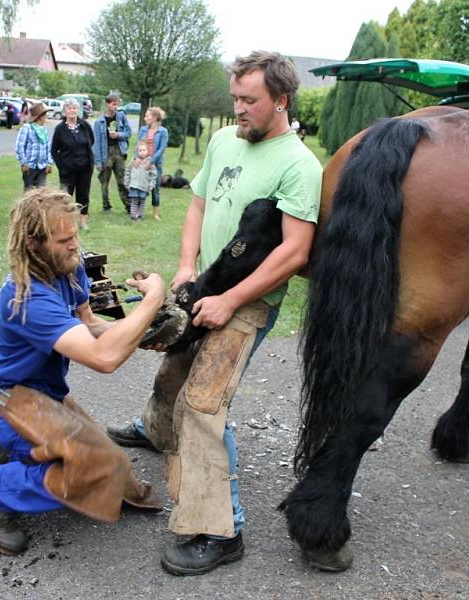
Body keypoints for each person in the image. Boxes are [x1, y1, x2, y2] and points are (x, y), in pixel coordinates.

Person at [106, 50, 322, 576]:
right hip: (203, 285)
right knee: (174, 364)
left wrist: (230, 300)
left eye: (249, 100)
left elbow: (295, 252)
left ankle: (221, 530)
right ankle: (156, 430)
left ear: (280, 100)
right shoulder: (227, 140)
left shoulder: (299, 165)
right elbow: (199, 204)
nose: (239, 108)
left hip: (248, 305)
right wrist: (185, 266)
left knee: (202, 406)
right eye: (235, 98)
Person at [0, 187, 167, 555]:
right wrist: (152, 301)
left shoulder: (69, 268)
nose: (75, 245)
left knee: (114, 465)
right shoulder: (25, 296)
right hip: (12, 398)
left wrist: (141, 329)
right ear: (33, 243)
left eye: (75, 234)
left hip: (47, 395)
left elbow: (90, 326)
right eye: (64, 240)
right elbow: (102, 358)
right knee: (94, 469)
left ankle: (20, 455)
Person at [51, 97, 95, 230]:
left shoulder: (85, 125)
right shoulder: (60, 129)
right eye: (69, 108)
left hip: (85, 168)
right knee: (65, 197)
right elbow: (54, 150)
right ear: (65, 110)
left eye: (74, 108)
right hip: (67, 170)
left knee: (83, 195)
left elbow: (91, 141)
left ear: (78, 110)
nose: (72, 110)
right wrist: (61, 166)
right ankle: (67, 222)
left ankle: (83, 222)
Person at [93, 92, 132, 213]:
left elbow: (128, 133)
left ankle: (129, 205)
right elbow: (96, 143)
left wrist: (118, 135)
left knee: (122, 181)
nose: (116, 107)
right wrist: (98, 162)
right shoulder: (99, 122)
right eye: (113, 104)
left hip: (119, 152)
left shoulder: (121, 116)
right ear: (107, 104)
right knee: (105, 182)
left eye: (117, 104)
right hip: (106, 153)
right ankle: (106, 206)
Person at [136, 106, 169, 221]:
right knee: (140, 187)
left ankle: (155, 214)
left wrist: (151, 161)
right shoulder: (143, 130)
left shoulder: (163, 131)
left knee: (155, 188)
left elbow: (161, 148)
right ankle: (139, 212)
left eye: (147, 116)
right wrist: (137, 159)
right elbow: (138, 144)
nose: (145, 118)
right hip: (142, 163)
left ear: (155, 118)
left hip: (156, 164)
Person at [15, 102, 52, 190]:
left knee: (41, 193)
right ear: (40, 117)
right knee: (29, 192)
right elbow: (20, 147)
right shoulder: (27, 128)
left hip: (42, 167)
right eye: (45, 115)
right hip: (30, 167)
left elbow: (48, 148)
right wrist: (24, 163)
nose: (46, 117)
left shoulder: (44, 130)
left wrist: (49, 163)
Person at [124, 142, 157, 221]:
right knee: (134, 201)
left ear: (147, 151)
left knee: (142, 201)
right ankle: (133, 215)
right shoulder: (134, 161)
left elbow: (153, 175)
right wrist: (126, 182)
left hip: (144, 186)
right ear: (137, 152)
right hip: (134, 185)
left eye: (144, 150)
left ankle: (140, 216)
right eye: (140, 150)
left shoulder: (150, 163)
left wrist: (151, 184)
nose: (142, 152)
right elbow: (128, 171)